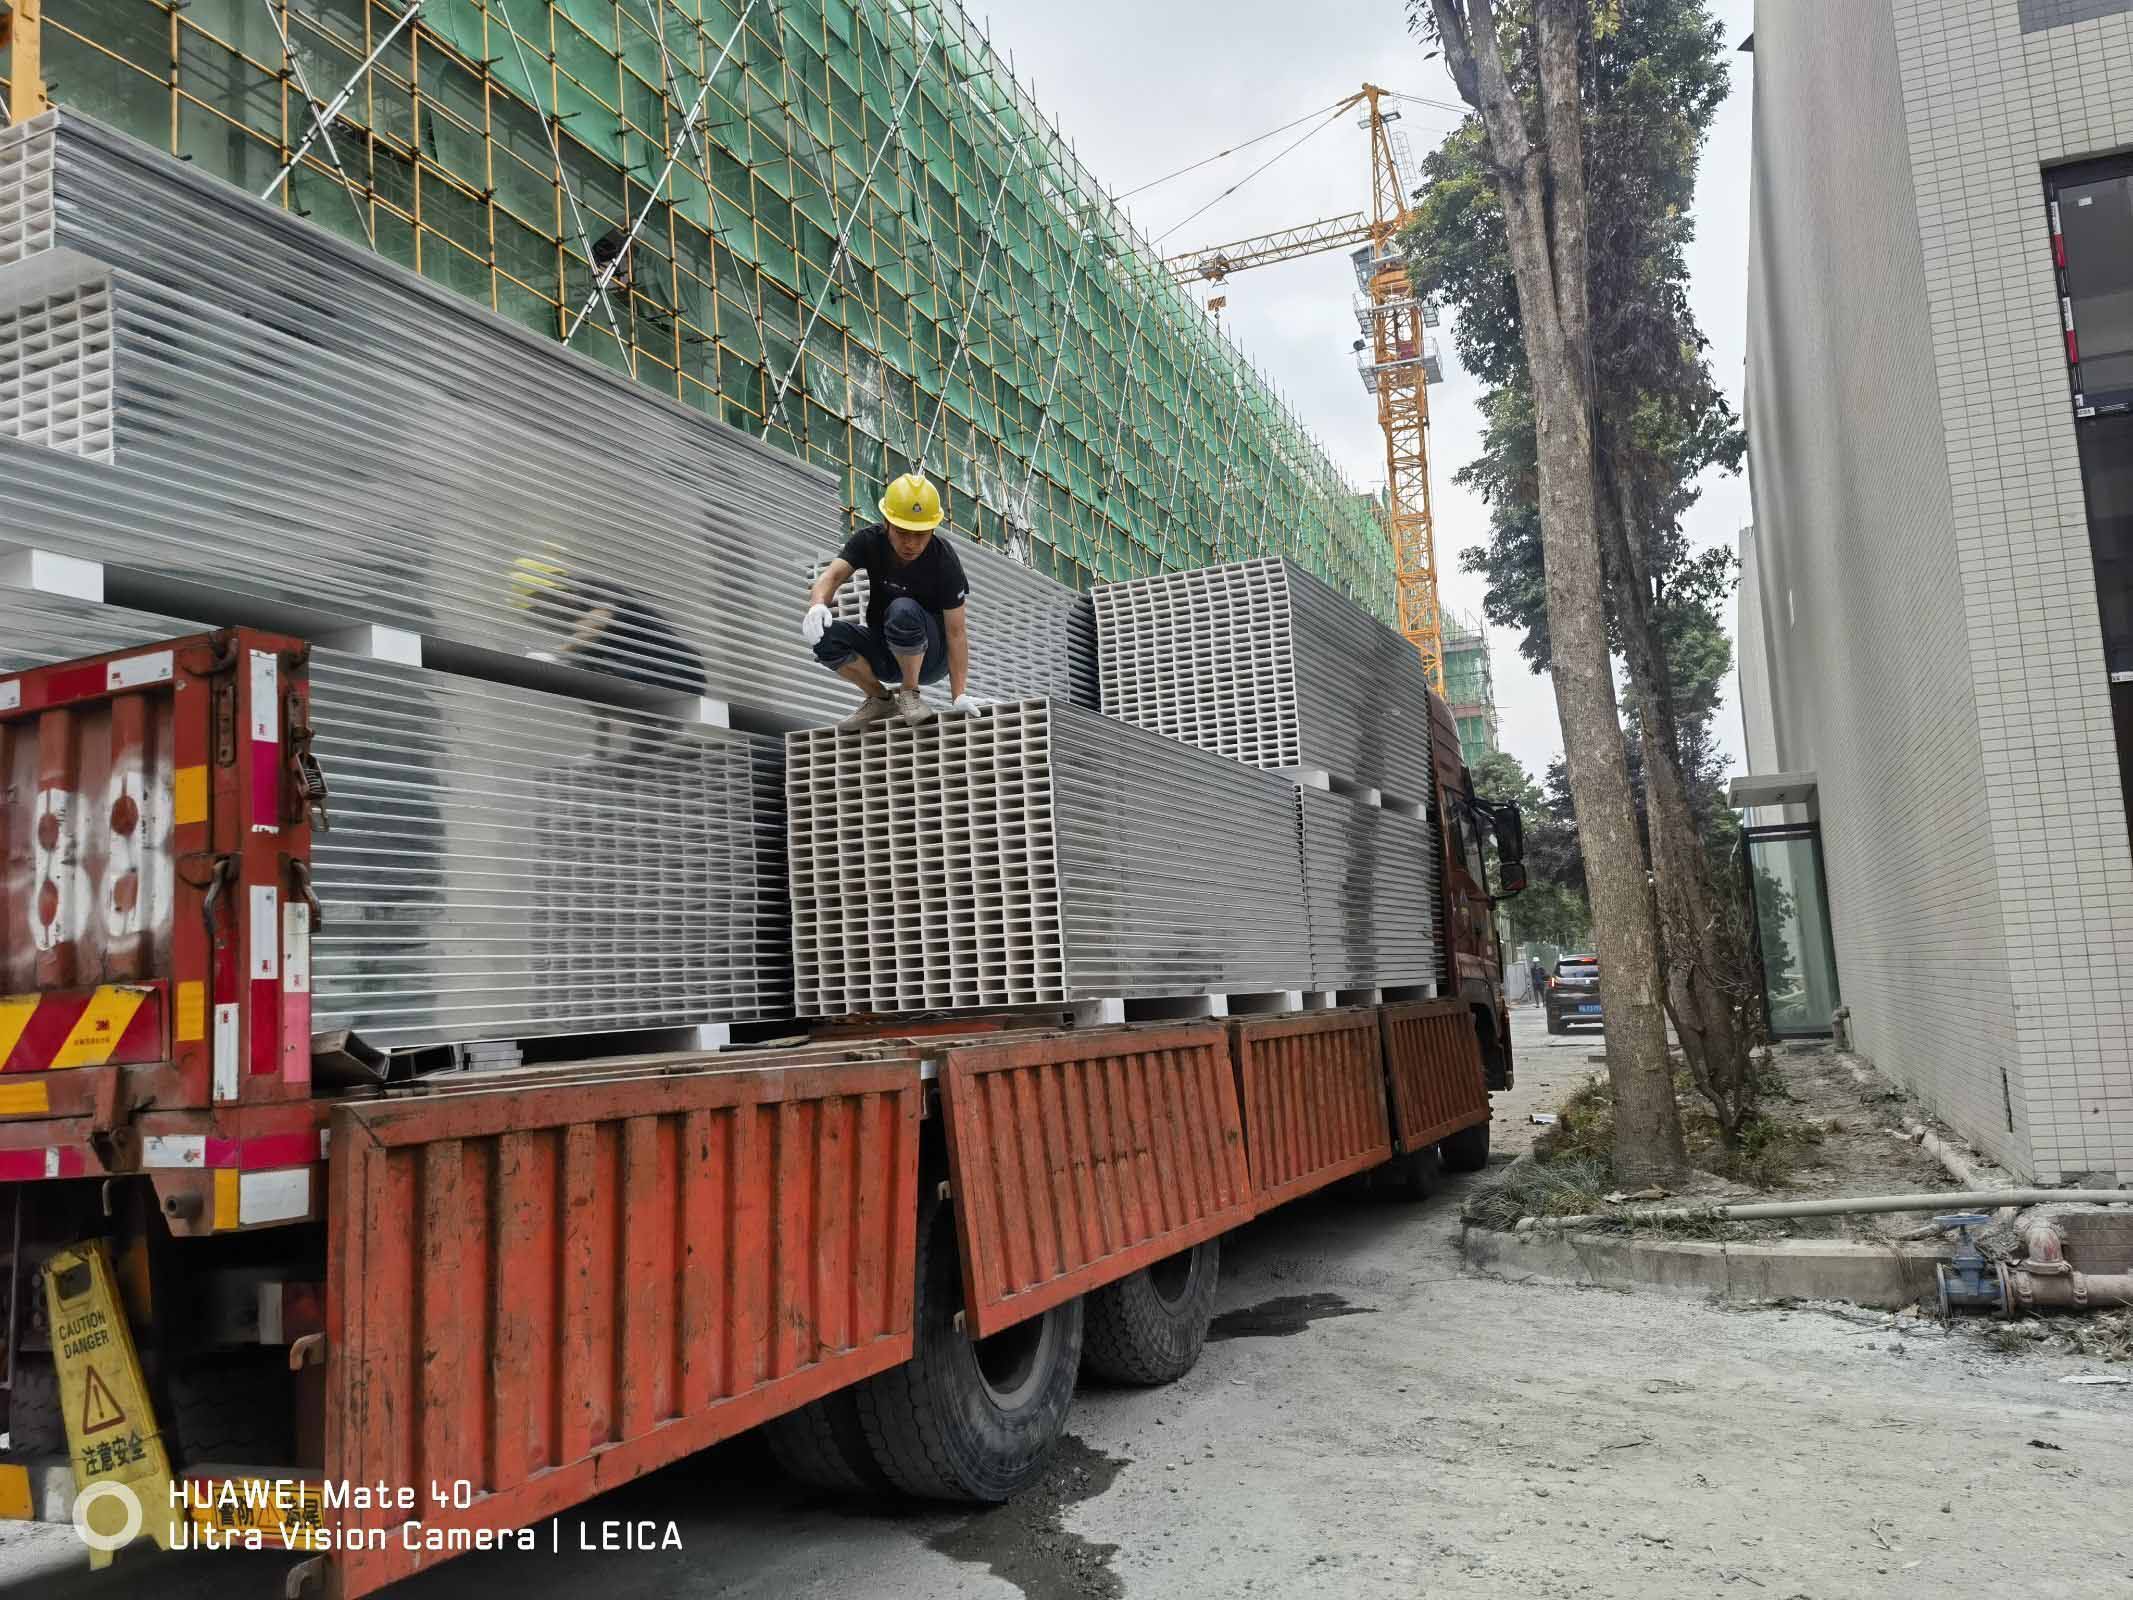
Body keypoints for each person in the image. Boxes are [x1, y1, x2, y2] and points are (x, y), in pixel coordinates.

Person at [803, 473, 978, 730]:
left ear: (932, 529)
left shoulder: (943, 559)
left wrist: (959, 695)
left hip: (932, 657)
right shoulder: (869, 541)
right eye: (902, 532)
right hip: (887, 651)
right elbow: (832, 576)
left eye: (920, 534)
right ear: (887, 523)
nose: (911, 543)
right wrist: (817, 605)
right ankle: (880, 699)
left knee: (902, 610)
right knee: (823, 636)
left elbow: (956, 632)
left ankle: (910, 693)